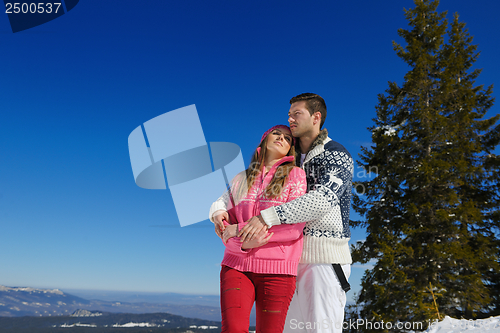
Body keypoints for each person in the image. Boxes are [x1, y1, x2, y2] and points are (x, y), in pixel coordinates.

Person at [238, 93, 353, 333]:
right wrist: (219, 210)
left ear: (316, 117)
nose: (290, 119)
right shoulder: (288, 159)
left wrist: (266, 217)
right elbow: (251, 189)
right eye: (289, 114)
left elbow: (323, 199)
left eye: (296, 114)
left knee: (322, 329)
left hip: (323, 259)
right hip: (286, 261)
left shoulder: (336, 154)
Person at [209, 125, 307, 333]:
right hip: (236, 266)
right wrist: (242, 244)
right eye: (276, 134)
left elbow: (293, 228)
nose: (282, 138)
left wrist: (241, 231)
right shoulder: (240, 179)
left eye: (288, 138)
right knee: (233, 330)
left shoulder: (296, 176)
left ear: (291, 149)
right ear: (264, 140)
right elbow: (225, 227)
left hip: (277, 271)